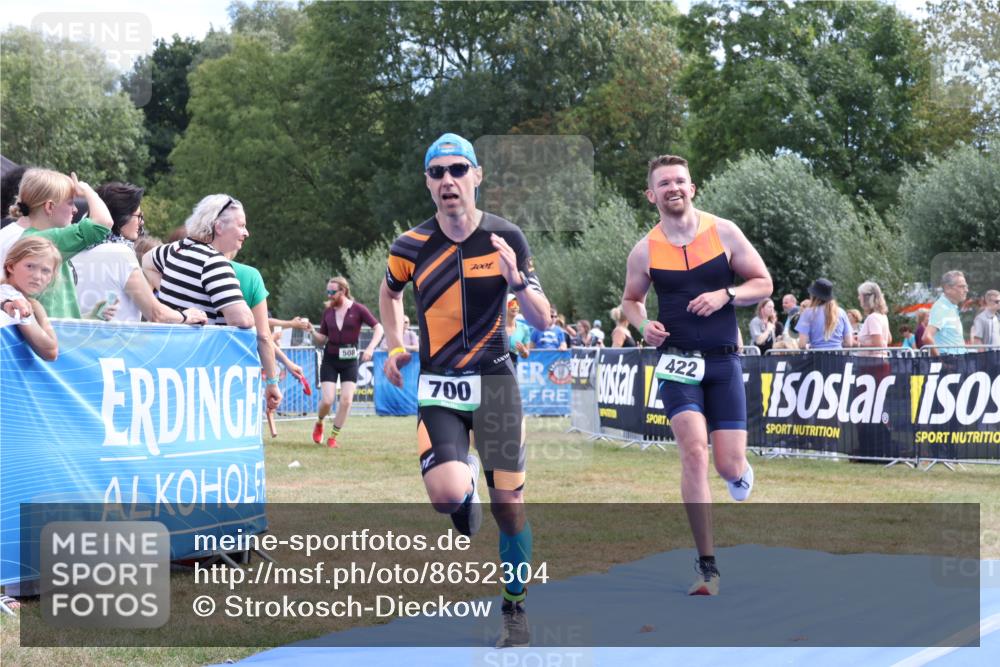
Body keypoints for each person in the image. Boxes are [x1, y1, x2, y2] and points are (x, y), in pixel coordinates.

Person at [379, 132, 551, 647]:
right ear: (427, 183)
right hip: (438, 386)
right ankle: (463, 490)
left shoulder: (506, 236)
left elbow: (543, 321)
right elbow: (388, 294)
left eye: (458, 170)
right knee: (446, 495)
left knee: (511, 506)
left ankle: (515, 609)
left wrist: (517, 281)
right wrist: (393, 343)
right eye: (437, 173)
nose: (448, 181)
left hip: (496, 384)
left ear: (477, 176)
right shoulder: (409, 245)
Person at [622, 154, 772, 596]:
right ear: (652, 195)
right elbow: (630, 300)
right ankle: (707, 566)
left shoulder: (723, 232)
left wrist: (726, 294)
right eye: (664, 183)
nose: (673, 188)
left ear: (693, 187)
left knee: (726, 464)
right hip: (676, 363)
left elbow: (763, 283)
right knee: (692, 452)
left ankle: (740, 472)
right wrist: (640, 324)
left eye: (680, 181)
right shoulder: (644, 249)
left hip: (724, 361)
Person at [73, 182, 206, 325]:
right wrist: (186, 316)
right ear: (121, 217)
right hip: (115, 344)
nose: (141, 223)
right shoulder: (119, 253)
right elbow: (156, 314)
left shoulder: (75, 251)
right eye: (138, 216)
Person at [8, 169, 115, 319]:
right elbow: (103, 223)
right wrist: (87, 190)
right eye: (71, 202)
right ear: (50, 207)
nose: (75, 210)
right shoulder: (45, 240)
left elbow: (50, 306)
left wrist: (90, 317)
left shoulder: (34, 238)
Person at [142, 194, 254, 329]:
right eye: (241, 226)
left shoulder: (175, 249)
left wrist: (169, 291)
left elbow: (146, 261)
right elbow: (243, 320)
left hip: (170, 344)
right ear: (218, 227)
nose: (246, 233)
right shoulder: (214, 262)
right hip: (201, 348)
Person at [307, 276, 383, 448]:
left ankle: (333, 437)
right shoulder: (328, 312)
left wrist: (370, 348)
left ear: (343, 291)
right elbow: (322, 339)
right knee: (327, 400)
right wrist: (312, 330)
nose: (329, 295)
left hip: (350, 360)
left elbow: (378, 328)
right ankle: (319, 422)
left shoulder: (358, 309)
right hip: (330, 359)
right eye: (327, 292)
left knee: (347, 400)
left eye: (332, 292)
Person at [0, 236, 60, 360]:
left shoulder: (32, 303)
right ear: (11, 266)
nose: (37, 276)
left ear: (51, 278)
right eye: (30, 266)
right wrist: (25, 316)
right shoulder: (10, 294)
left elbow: (52, 350)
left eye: (45, 271)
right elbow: (50, 351)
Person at [795, 279, 854, 350]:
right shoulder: (841, 312)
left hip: (816, 358)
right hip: (838, 358)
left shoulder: (807, 313)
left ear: (814, 295)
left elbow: (802, 345)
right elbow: (849, 343)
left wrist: (809, 346)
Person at [924, 270, 968, 356]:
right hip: (950, 361)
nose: (966, 290)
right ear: (948, 288)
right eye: (962, 286)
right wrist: (941, 361)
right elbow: (926, 336)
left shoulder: (951, 307)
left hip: (956, 360)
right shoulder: (941, 307)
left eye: (966, 286)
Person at [856, 281, 891, 350]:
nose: (858, 298)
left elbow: (878, 344)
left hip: (871, 359)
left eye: (860, 295)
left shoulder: (873, 317)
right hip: (878, 358)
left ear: (866, 298)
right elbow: (888, 339)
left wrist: (857, 343)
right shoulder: (883, 316)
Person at [506, 294, 531, 361]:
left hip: (513, 368)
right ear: (505, 306)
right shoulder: (497, 327)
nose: (515, 307)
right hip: (495, 368)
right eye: (512, 303)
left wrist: (523, 351)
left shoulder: (524, 328)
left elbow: (526, 355)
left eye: (517, 304)